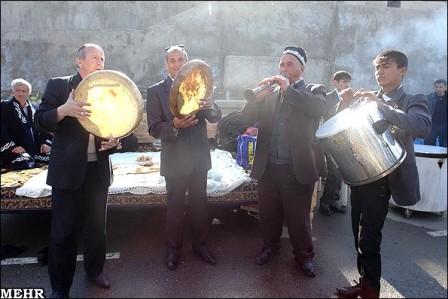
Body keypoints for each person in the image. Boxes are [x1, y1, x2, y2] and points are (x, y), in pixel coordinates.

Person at [335, 49, 431, 298]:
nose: (379, 72)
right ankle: (364, 280)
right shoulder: (368, 98)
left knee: (370, 235)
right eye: (377, 67)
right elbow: (342, 126)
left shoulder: (413, 99)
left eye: (385, 66)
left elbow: (421, 126)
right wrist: (344, 102)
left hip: (385, 178)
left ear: (402, 70)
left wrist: (380, 106)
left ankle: (371, 291)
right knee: (358, 230)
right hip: (361, 174)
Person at [34, 43, 120, 298]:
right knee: (64, 232)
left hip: (98, 171)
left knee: (97, 229)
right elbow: (40, 120)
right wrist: (64, 110)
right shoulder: (60, 85)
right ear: (79, 62)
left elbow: (116, 125)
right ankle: (60, 287)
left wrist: (115, 142)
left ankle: (95, 271)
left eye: (103, 58)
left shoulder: (109, 89)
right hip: (67, 172)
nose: (100, 62)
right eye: (95, 57)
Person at [241, 45, 327, 278]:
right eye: (281, 64)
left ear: (302, 67)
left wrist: (288, 90)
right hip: (269, 166)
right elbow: (246, 119)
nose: (284, 68)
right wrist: (256, 100)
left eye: (290, 64)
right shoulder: (270, 93)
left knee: (298, 218)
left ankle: (304, 257)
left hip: (296, 167)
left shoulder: (313, 89)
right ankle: (270, 247)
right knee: (268, 214)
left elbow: (318, 108)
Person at [146, 44, 222, 270]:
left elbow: (215, 117)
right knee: (175, 208)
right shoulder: (155, 91)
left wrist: (211, 104)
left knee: (200, 205)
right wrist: (174, 126)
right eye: (172, 60)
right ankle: (173, 250)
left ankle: (201, 246)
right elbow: (154, 128)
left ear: (187, 62)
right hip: (175, 159)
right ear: (166, 64)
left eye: (181, 59)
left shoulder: (199, 83)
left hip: (199, 156)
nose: (177, 64)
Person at [318, 71, 355, 216]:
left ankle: (334, 201)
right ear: (335, 82)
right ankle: (324, 204)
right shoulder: (327, 98)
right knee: (334, 173)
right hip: (327, 141)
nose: (347, 85)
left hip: (343, 141)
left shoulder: (350, 99)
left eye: (348, 82)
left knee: (341, 171)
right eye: (344, 81)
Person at [1, 78, 52, 170]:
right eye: (17, 91)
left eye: (24, 91)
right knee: (23, 162)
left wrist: (42, 143)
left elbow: (40, 130)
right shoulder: (4, 107)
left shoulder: (34, 109)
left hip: (33, 148)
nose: (21, 94)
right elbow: (2, 129)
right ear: (13, 92)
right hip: (14, 149)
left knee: (53, 156)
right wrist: (13, 147)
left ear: (29, 93)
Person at [424, 79, 447, 147]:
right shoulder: (429, 98)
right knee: (428, 146)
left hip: (445, 127)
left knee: (445, 147)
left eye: (440, 87)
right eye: (436, 87)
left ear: (445, 87)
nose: (438, 89)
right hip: (432, 126)